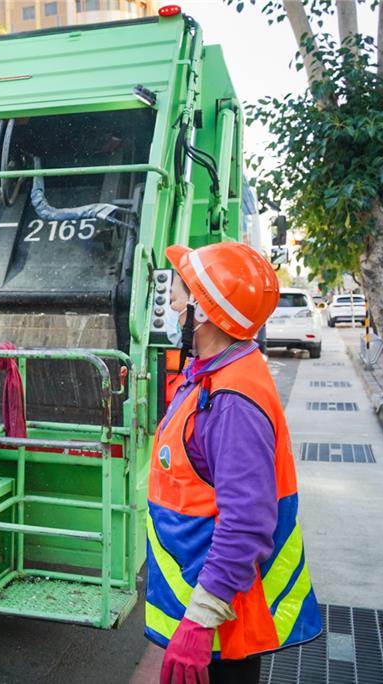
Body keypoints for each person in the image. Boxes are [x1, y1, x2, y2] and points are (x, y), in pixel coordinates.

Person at [146, 242, 322, 684]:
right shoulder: (214, 376)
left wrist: (199, 621)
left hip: (220, 634)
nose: (171, 302)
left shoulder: (232, 400)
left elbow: (246, 522)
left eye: (180, 292)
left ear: (203, 312)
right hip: (211, 623)